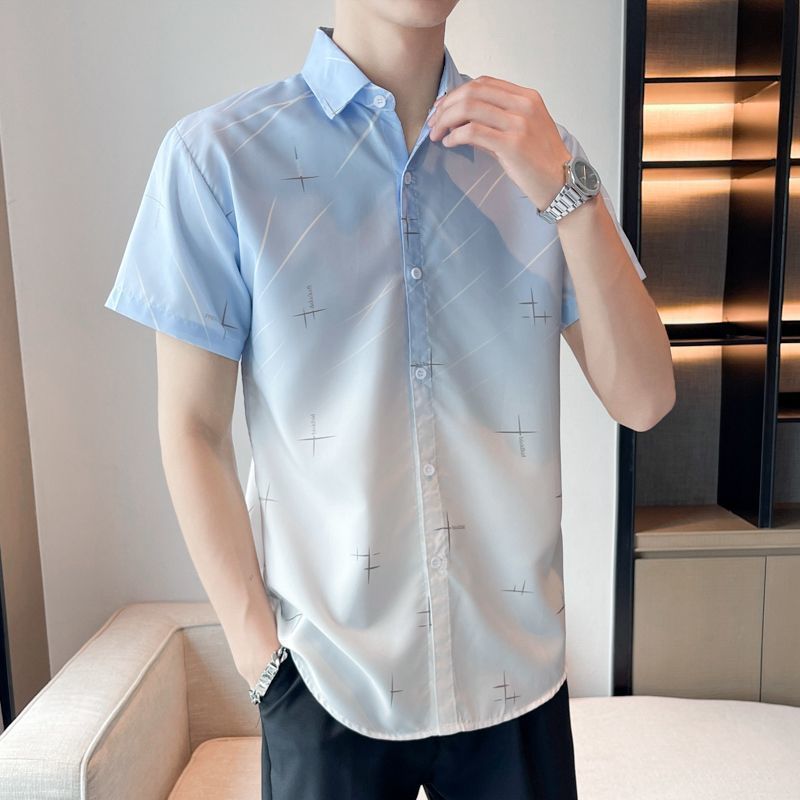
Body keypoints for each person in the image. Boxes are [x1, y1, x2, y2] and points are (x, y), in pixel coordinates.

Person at [104, 2, 674, 798]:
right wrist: (263, 663)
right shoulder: (218, 159)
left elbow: (644, 398)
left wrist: (570, 194)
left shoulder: (544, 155)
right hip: (327, 682)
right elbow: (192, 430)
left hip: (516, 677)